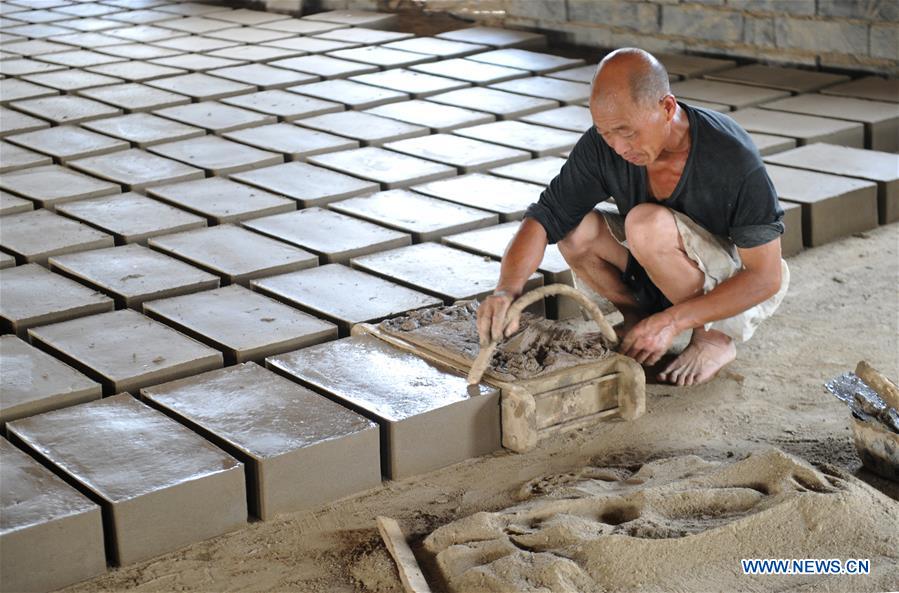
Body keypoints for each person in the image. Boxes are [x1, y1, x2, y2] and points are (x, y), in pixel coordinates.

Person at [476, 47, 789, 386]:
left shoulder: (731, 158)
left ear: (666, 108)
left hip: (729, 282)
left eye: (627, 132)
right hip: (659, 264)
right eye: (607, 134)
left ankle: (713, 339)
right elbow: (544, 217)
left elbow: (765, 277)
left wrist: (674, 321)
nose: (619, 147)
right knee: (574, 230)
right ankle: (639, 318)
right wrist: (506, 290)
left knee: (644, 225)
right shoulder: (604, 145)